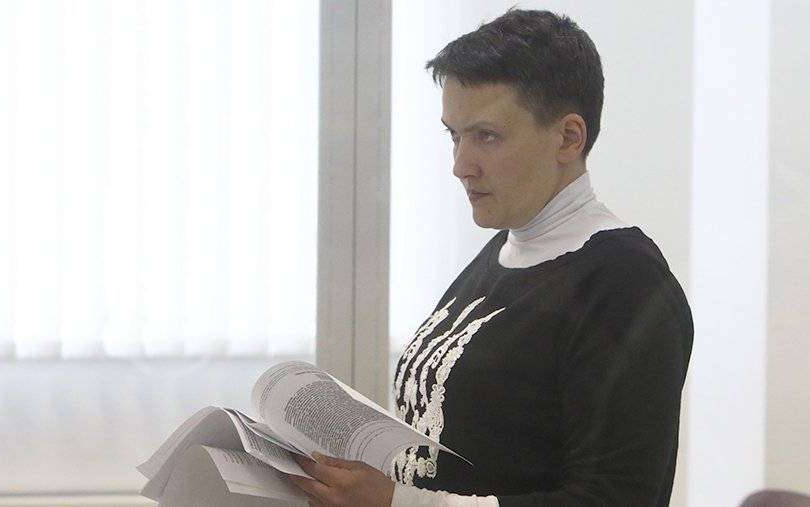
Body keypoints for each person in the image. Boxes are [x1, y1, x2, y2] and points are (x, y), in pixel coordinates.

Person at [287, 8, 693, 506]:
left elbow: (616, 499)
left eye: (488, 136)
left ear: (569, 137)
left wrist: (400, 503)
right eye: (454, 135)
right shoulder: (503, 250)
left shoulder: (624, 283)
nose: (461, 165)